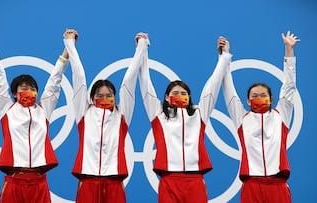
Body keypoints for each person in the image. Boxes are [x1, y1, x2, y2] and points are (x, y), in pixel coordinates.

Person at [0, 17, 70, 203]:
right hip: (13, 182)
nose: (28, 91)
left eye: (32, 88)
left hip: (39, 183)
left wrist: (68, 47)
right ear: (14, 93)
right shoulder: (6, 108)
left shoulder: (43, 110)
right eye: (23, 88)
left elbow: (55, 80)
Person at [138, 36, 232, 203]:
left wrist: (224, 57)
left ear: (189, 97)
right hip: (168, 180)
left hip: (195, 181)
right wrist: (142, 50)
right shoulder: (158, 115)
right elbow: (145, 84)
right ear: (166, 98)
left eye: (184, 93)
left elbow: (214, 84)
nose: (179, 96)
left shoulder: (199, 114)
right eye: (175, 93)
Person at [63, 30, 149, 203]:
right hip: (87, 181)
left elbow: (129, 81)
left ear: (115, 97)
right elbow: (78, 76)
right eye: (100, 95)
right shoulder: (83, 113)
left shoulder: (122, 115)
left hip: (114, 182)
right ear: (92, 97)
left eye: (109, 95)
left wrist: (141, 47)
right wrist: (69, 44)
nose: (104, 98)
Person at [221, 31, 300, 203]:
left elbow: (289, 86)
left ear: (271, 99)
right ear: (248, 101)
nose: (259, 98)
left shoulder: (281, 115)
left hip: (278, 185)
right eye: (254, 96)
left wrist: (288, 50)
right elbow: (228, 90)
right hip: (251, 185)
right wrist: (224, 58)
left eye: (263, 95)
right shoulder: (242, 118)